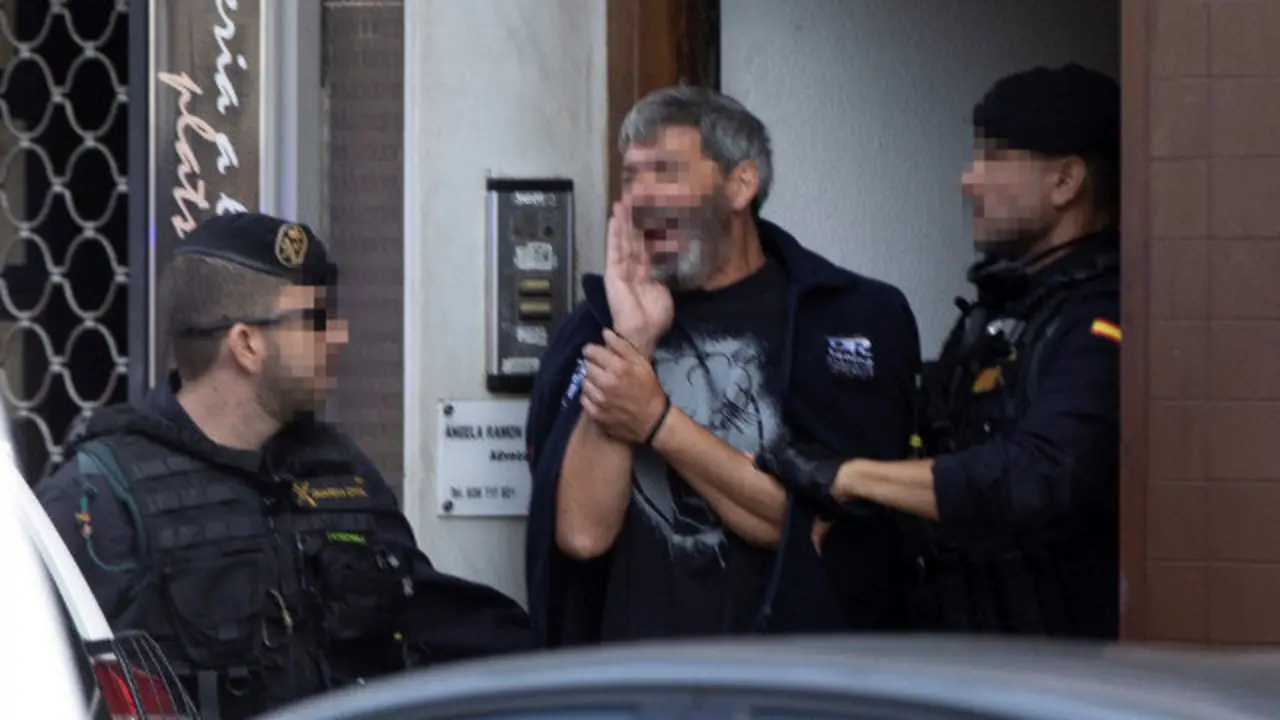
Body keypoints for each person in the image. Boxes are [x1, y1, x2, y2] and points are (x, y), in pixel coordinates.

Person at [35, 212, 532, 719]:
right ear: (246, 344)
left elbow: (431, 616)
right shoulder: (104, 496)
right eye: (316, 321)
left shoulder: (337, 468)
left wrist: (558, 671)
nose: (338, 336)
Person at [524, 85, 922, 647]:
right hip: (634, 677)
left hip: (792, 678)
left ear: (741, 184)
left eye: (666, 171)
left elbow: (812, 528)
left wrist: (657, 422)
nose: (641, 197)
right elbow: (583, 536)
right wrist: (631, 340)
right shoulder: (593, 326)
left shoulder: (846, 319)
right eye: (631, 177)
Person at [756, 63, 1122, 639]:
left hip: (1060, 664)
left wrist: (850, 477)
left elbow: (1042, 473)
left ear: (1065, 181)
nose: (969, 181)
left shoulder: (1105, 315)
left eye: (995, 159)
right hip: (965, 652)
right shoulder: (1002, 312)